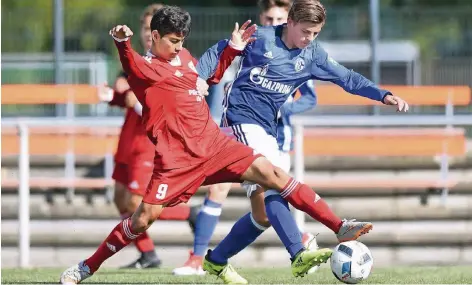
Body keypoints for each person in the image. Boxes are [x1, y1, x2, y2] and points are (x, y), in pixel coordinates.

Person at [60, 5, 343, 284]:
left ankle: (339, 227)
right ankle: (85, 267)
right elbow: (129, 62)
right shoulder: (144, 69)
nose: (177, 47)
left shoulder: (183, 57)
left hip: (215, 146)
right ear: (155, 36)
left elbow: (211, 76)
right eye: (172, 41)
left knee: (274, 175)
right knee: (141, 220)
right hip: (177, 161)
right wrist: (121, 42)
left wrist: (232, 50)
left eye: (181, 41)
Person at [196, 0, 409, 283]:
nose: (310, 39)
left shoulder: (312, 55)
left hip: (268, 131)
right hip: (239, 121)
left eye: (316, 33)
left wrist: (382, 94)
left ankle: (216, 261)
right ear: (291, 22)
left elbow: (347, 78)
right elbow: (219, 50)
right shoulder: (260, 36)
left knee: (262, 215)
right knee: (273, 179)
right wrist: (198, 78)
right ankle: (304, 249)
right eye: (306, 31)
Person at [172, 0, 318, 276]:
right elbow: (222, 84)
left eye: (279, 18)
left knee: (263, 211)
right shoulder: (247, 46)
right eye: (269, 17)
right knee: (219, 191)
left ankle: (299, 242)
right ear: (261, 18)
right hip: (235, 132)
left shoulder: (299, 55)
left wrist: (283, 107)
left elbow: (310, 97)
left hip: (273, 140)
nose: (273, 22)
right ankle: (198, 259)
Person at [97, 3, 198, 269]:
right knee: (120, 197)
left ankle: (191, 214)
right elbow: (130, 98)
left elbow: (158, 101)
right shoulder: (136, 60)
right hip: (127, 140)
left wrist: (130, 97)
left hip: (147, 143)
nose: (146, 33)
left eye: (150, 28)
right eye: (144, 28)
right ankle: (148, 254)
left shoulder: (171, 63)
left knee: (135, 200)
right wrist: (114, 96)